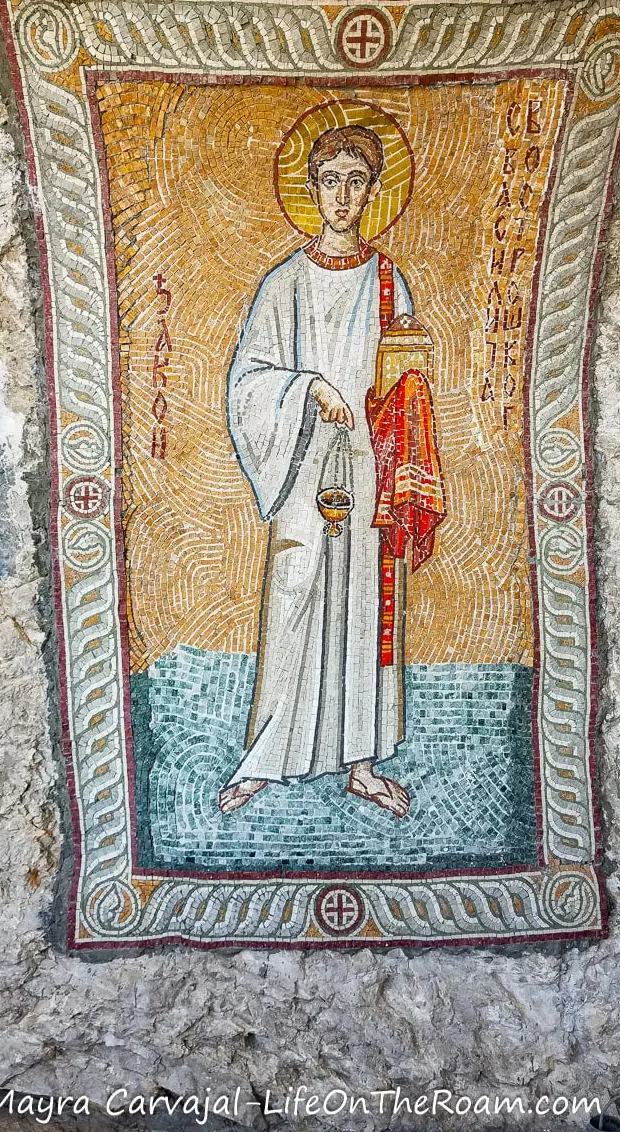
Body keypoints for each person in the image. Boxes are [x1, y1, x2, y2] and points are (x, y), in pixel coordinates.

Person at [219, 126, 413, 817]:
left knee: (364, 605)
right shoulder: (284, 286)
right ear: (311, 189)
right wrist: (308, 389)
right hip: (303, 469)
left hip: (368, 473)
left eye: (355, 180)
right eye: (329, 179)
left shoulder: (390, 282)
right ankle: (268, 760)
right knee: (297, 598)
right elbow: (247, 383)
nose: (342, 195)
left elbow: (410, 382)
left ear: (372, 190)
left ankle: (359, 762)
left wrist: (394, 443)